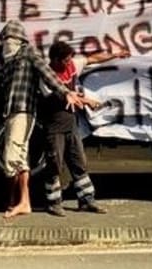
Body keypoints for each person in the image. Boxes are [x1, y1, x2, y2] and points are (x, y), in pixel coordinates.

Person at [0, 19, 85, 220]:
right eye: (5, 39)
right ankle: (19, 201)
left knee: (13, 157)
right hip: (11, 111)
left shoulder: (27, 52)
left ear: (18, 39)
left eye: (9, 39)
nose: (6, 43)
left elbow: (48, 74)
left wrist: (65, 92)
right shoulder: (9, 61)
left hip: (23, 110)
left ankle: (23, 201)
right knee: (19, 156)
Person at [40, 41, 124, 216]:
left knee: (79, 162)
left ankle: (86, 200)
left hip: (71, 125)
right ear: (55, 60)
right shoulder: (46, 77)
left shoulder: (72, 64)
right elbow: (63, 96)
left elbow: (91, 59)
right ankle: (53, 203)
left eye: (70, 59)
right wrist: (87, 101)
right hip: (55, 127)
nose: (68, 63)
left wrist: (115, 54)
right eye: (65, 60)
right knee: (54, 164)